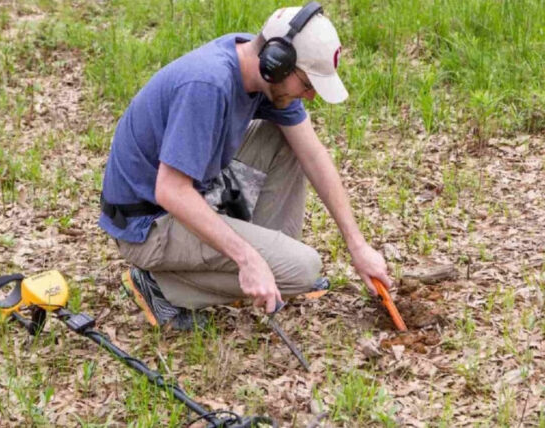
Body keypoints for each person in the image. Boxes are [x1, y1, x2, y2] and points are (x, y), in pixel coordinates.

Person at [99, 2, 392, 330]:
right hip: (149, 226)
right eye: (307, 84)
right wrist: (248, 258)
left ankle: (274, 269)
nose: (309, 96)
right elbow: (170, 191)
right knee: (305, 269)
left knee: (285, 139)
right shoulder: (208, 85)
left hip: (189, 193)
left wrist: (357, 244)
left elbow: (313, 155)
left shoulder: (252, 69)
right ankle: (160, 286)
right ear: (276, 63)